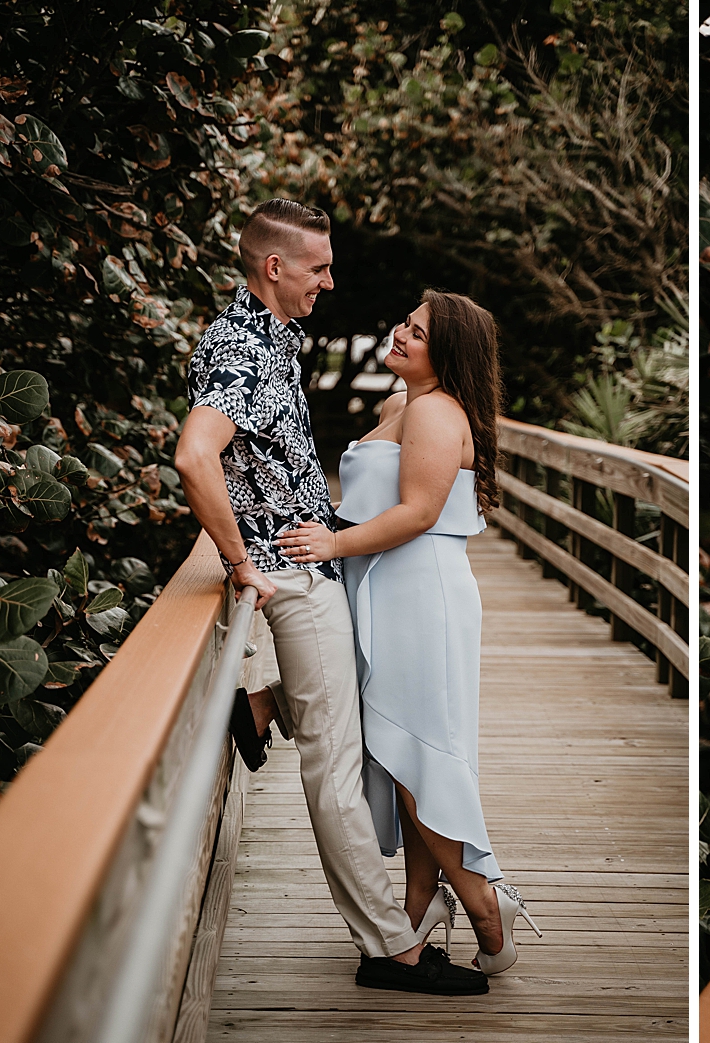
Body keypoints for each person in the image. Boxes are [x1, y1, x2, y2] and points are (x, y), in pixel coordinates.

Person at [175, 199, 486, 995]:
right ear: (275, 268)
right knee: (337, 763)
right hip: (293, 574)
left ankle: (262, 706)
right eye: (318, 267)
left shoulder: (275, 338)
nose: (331, 281)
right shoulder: (240, 348)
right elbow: (194, 455)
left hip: (317, 567)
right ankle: (392, 948)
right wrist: (243, 561)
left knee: (347, 718)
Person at [276, 290, 541, 976]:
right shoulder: (404, 403)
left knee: (411, 750)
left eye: (417, 332)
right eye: (405, 320)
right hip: (392, 587)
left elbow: (421, 510)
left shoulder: (433, 410)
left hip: (420, 593)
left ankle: (484, 902)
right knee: (407, 756)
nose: (400, 332)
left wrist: (331, 545)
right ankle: (420, 904)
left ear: (447, 352)